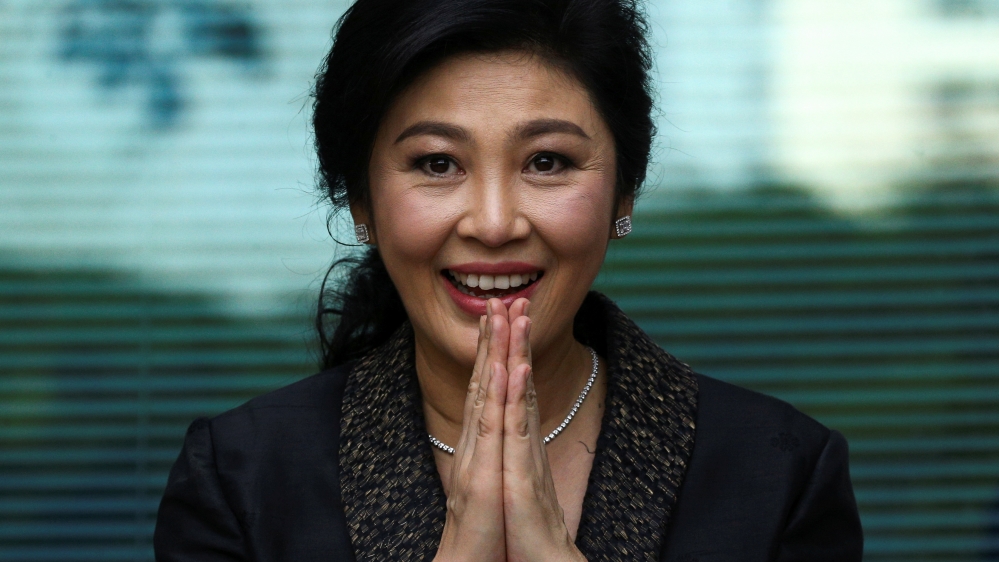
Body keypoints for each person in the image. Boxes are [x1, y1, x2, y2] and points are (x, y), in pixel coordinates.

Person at [153, 0, 863, 559]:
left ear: (624, 192)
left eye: (547, 162)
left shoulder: (779, 473)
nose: (493, 224)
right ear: (361, 202)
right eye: (437, 163)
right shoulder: (240, 478)